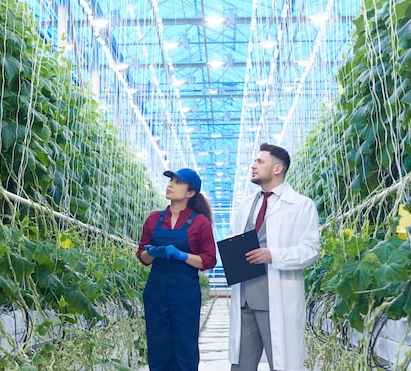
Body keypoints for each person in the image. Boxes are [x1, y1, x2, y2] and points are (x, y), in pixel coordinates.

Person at [228, 143, 320, 371]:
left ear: (277, 169)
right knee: (241, 366)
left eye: (260, 162)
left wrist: (273, 255)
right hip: (244, 300)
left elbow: (310, 250)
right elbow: (234, 238)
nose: (253, 165)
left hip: (276, 298)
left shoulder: (301, 205)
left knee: (281, 364)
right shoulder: (248, 204)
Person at [137, 168, 217, 371]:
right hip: (156, 290)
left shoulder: (200, 222)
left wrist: (181, 255)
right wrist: (154, 253)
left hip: (185, 293)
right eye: (171, 180)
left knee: (185, 347)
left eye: (178, 182)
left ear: (191, 193)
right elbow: (142, 256)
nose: (171, 185)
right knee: (157, 346)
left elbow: (208, 260)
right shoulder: (154, 219)